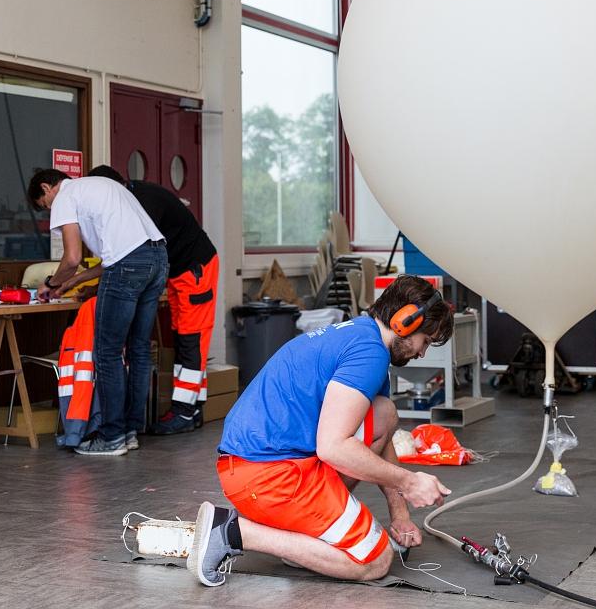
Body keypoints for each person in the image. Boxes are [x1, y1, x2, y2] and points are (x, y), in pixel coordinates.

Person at [186, 275, 455, 586]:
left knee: (383, 413)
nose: (422, 353)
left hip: (259, 465)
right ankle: (233, 532)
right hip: (268, 476)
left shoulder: (362, 337)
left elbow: (380, 435)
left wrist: (400, 514)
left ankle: (310, 535)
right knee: (375, 560)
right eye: (426, 341)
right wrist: (410, 481)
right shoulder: (368, 354)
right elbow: (333, 447)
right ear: (406, 322)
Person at [27, 168, 168, 456]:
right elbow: (123, 254)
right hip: (158, 259)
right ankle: (130, 432)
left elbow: (72, 257)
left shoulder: (64, 196)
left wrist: (50, 284)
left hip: (129, 265)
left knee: (107, 353)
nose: (51, 210)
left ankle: (111, 436)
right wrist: (73, 281)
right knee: (139, 349)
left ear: (46, 188)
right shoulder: (99, 185)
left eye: (45, 205)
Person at [86, 165, 219, 435]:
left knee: (191, 339)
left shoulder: (144, 201)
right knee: (182, 338)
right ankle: (192, 408)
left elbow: (135, 251)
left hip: (195, 268)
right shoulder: (134, 197)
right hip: (180, 272)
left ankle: (184, 411)